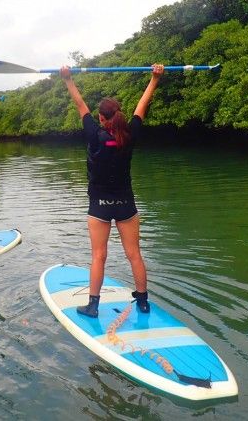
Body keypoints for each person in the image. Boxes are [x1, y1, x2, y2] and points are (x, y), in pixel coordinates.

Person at [60, 63, 165, 318]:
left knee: (98, 256)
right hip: (125, 204)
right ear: (118, 115)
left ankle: (93, 306)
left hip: (99, 206)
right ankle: (142, 301)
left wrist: (68, 80)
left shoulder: (94, 135)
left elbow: (79, 104)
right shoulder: (128, 134)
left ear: (102, 119)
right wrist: (154, 79)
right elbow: (142, 106)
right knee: (134, 255)